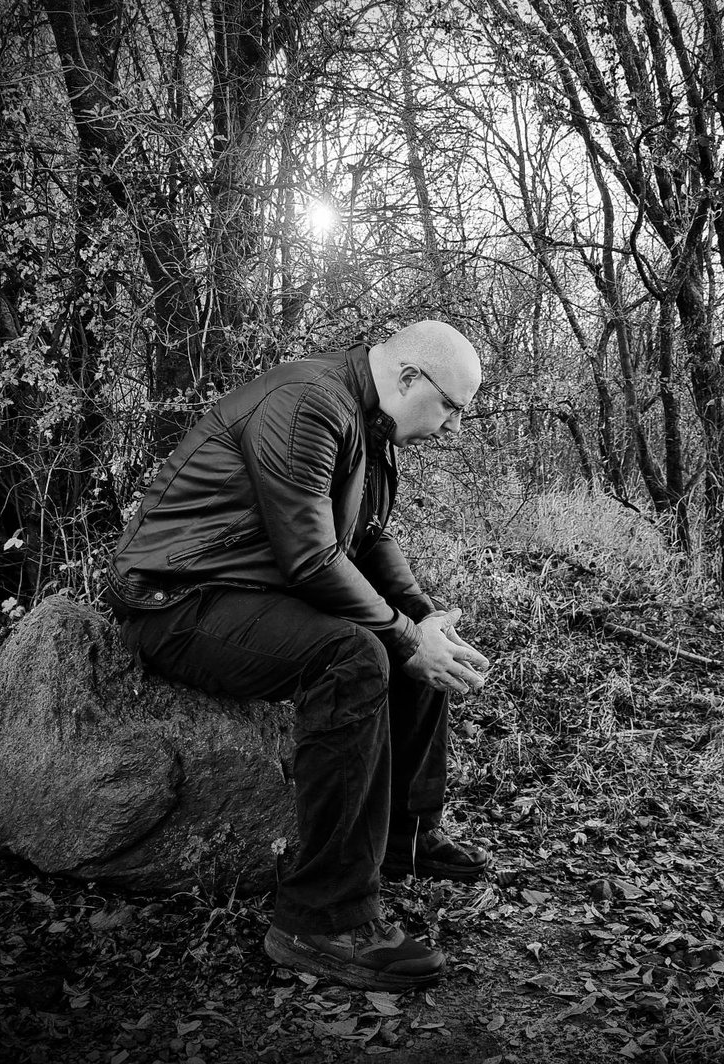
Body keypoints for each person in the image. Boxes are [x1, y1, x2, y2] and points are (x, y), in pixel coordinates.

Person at [104, 320, 493, 991]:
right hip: (176, 599)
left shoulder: (368, 420)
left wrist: (422, 620)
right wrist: (404, 637)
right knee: (357, 656)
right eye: (452, 408)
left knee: (412, 640)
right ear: (409, 379)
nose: (455, 428)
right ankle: (321, 920)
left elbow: (368, 540)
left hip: (247, 587)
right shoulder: (308, 403)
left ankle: (405, 838)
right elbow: (312, 558)